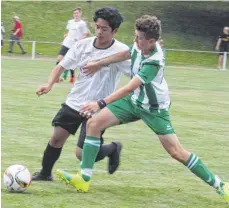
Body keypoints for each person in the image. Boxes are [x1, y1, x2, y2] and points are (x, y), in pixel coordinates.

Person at [56, 15, 229, 204]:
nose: (135, 40)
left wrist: (99, 103)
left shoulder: (154, 60)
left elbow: (129, 87)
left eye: (139, 38)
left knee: (176, 152)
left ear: (152, 41)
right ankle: (84, 179)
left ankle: (220, 185)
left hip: (153, 109)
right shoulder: (141, 46)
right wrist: (99, 63)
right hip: (134, 101)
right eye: (135, 36)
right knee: (93, 123)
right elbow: (127, 53)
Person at [32, 7, 131, 181]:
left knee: (81, 154)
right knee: (56, 138)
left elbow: (137, 76)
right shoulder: (82, 45)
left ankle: (113, 148)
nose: (99, 32)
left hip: (97, 108)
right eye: (97, 27)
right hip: (74, 101)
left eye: (104, 29)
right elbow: (61, 66)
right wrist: (49, 84)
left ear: (115, 31)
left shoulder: (121, 52)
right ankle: (45, 173)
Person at [56, 7, 91, 83]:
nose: (75, 14)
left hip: (75, 45)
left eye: (77, 13)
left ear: (80, 14)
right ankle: (56, 77)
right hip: (67, 43)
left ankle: (72, 77)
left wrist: (79, 39)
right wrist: (64, 39)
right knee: (59, 59)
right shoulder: (70, 22)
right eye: (74, 13)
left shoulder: (82, 24)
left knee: (71, 62)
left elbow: (86, 34)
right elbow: (68, 32)